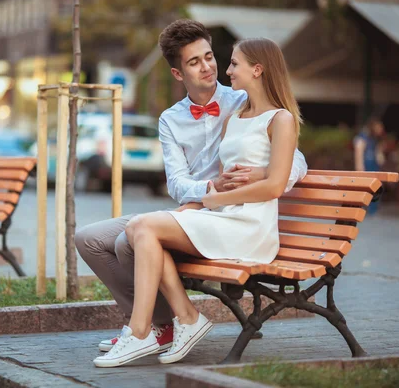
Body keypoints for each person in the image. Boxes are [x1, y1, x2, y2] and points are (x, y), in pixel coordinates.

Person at [75, 19, 307, 366]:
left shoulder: (243, 100)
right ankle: (161, 325)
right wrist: (208, 192)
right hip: (200, 209)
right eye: (195, 61)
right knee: (88, 239)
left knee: (131, 238)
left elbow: (294, 162)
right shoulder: (171, 119)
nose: (211, 67)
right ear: (177, 73)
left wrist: (257, 175)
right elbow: (177, 184)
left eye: (211, 57)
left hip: (224, 215)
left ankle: (151, 329)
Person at [354, 116, 385, 215]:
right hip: (367, 165)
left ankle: (373, 209)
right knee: (366, 188)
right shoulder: (363, 137)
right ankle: (366, 209)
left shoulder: (375, 139)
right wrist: (359, 167)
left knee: (376, 188)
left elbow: (379, 156)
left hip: (374, 165)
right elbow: (359, 152)